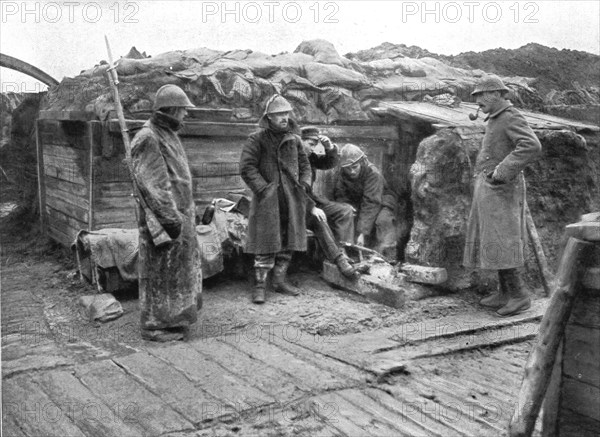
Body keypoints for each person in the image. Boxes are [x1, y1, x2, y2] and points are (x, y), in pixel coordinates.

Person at [463, 75, 542, 317]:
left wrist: (501, 171)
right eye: (476, 98)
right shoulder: (496, 119)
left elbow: (531, 145)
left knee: (503, 239)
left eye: (481, 97)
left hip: (501, 188)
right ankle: (504, 292)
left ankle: (519, 296)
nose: (477, 103)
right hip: (490, 188)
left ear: (496, 94)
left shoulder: (510, 116)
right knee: (492, 238)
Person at [130, 84, 201, 341]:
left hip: (178, 216)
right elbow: (154, 186)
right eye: (183, 109)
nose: (186, 115)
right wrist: (172, 221)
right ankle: (155, 326)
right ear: (171, 110)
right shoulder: (149, 137)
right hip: (163, 220)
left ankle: (173, 321)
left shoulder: (167, 132)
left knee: (174, 275)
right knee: (159, 274)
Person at [240, 95, 312, 304]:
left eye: (286, 113)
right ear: (269, 117)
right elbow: (246, 167)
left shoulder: (295, 140)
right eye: (279, 114)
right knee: (265, 242)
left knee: (288, 240)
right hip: (267, 200)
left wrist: (304, 185)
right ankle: (260, 286)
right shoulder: (257, 139)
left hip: (291, 199)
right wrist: (263, 189)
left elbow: (305, 166)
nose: (284, 117)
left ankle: (279, 281)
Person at [300, 126, 357, 279]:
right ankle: (338, 260)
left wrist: (330, 148)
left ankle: (344, 252)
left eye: (315, 145)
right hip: (296, 206)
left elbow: (327, 163)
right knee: (319, 218)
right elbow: (292, 190)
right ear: (300, 141)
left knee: (345, 211)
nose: (313, 149)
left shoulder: (308, 156)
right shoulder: (291, 158)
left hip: (310, 201)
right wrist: (311, 207)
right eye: (311, 144)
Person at [334, 144, 398, 261]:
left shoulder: (373, 173)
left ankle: (388, 257)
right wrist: (345, 205)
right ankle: (354, 256)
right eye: (348, 168)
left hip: (382, 202)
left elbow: (371, 202)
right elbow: (340, 194)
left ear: (362, 162)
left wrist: (362, 233)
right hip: (361, 203)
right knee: (348, 214)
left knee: (383, 221)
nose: (352, 171)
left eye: (355, 167)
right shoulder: (342, 173)